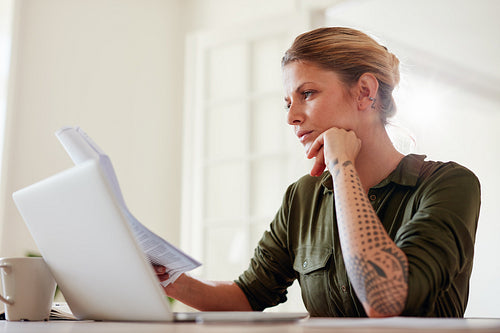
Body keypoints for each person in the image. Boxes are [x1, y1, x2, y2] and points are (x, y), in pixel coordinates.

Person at [155, 27, 481, 317]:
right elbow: (248, 295)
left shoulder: (449, 184)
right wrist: (165, 277)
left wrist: (342, 166)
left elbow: (386, 299)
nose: (292, 116)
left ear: (365, 91)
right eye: (287, 102)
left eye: (307, 94)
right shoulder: (303, 196)